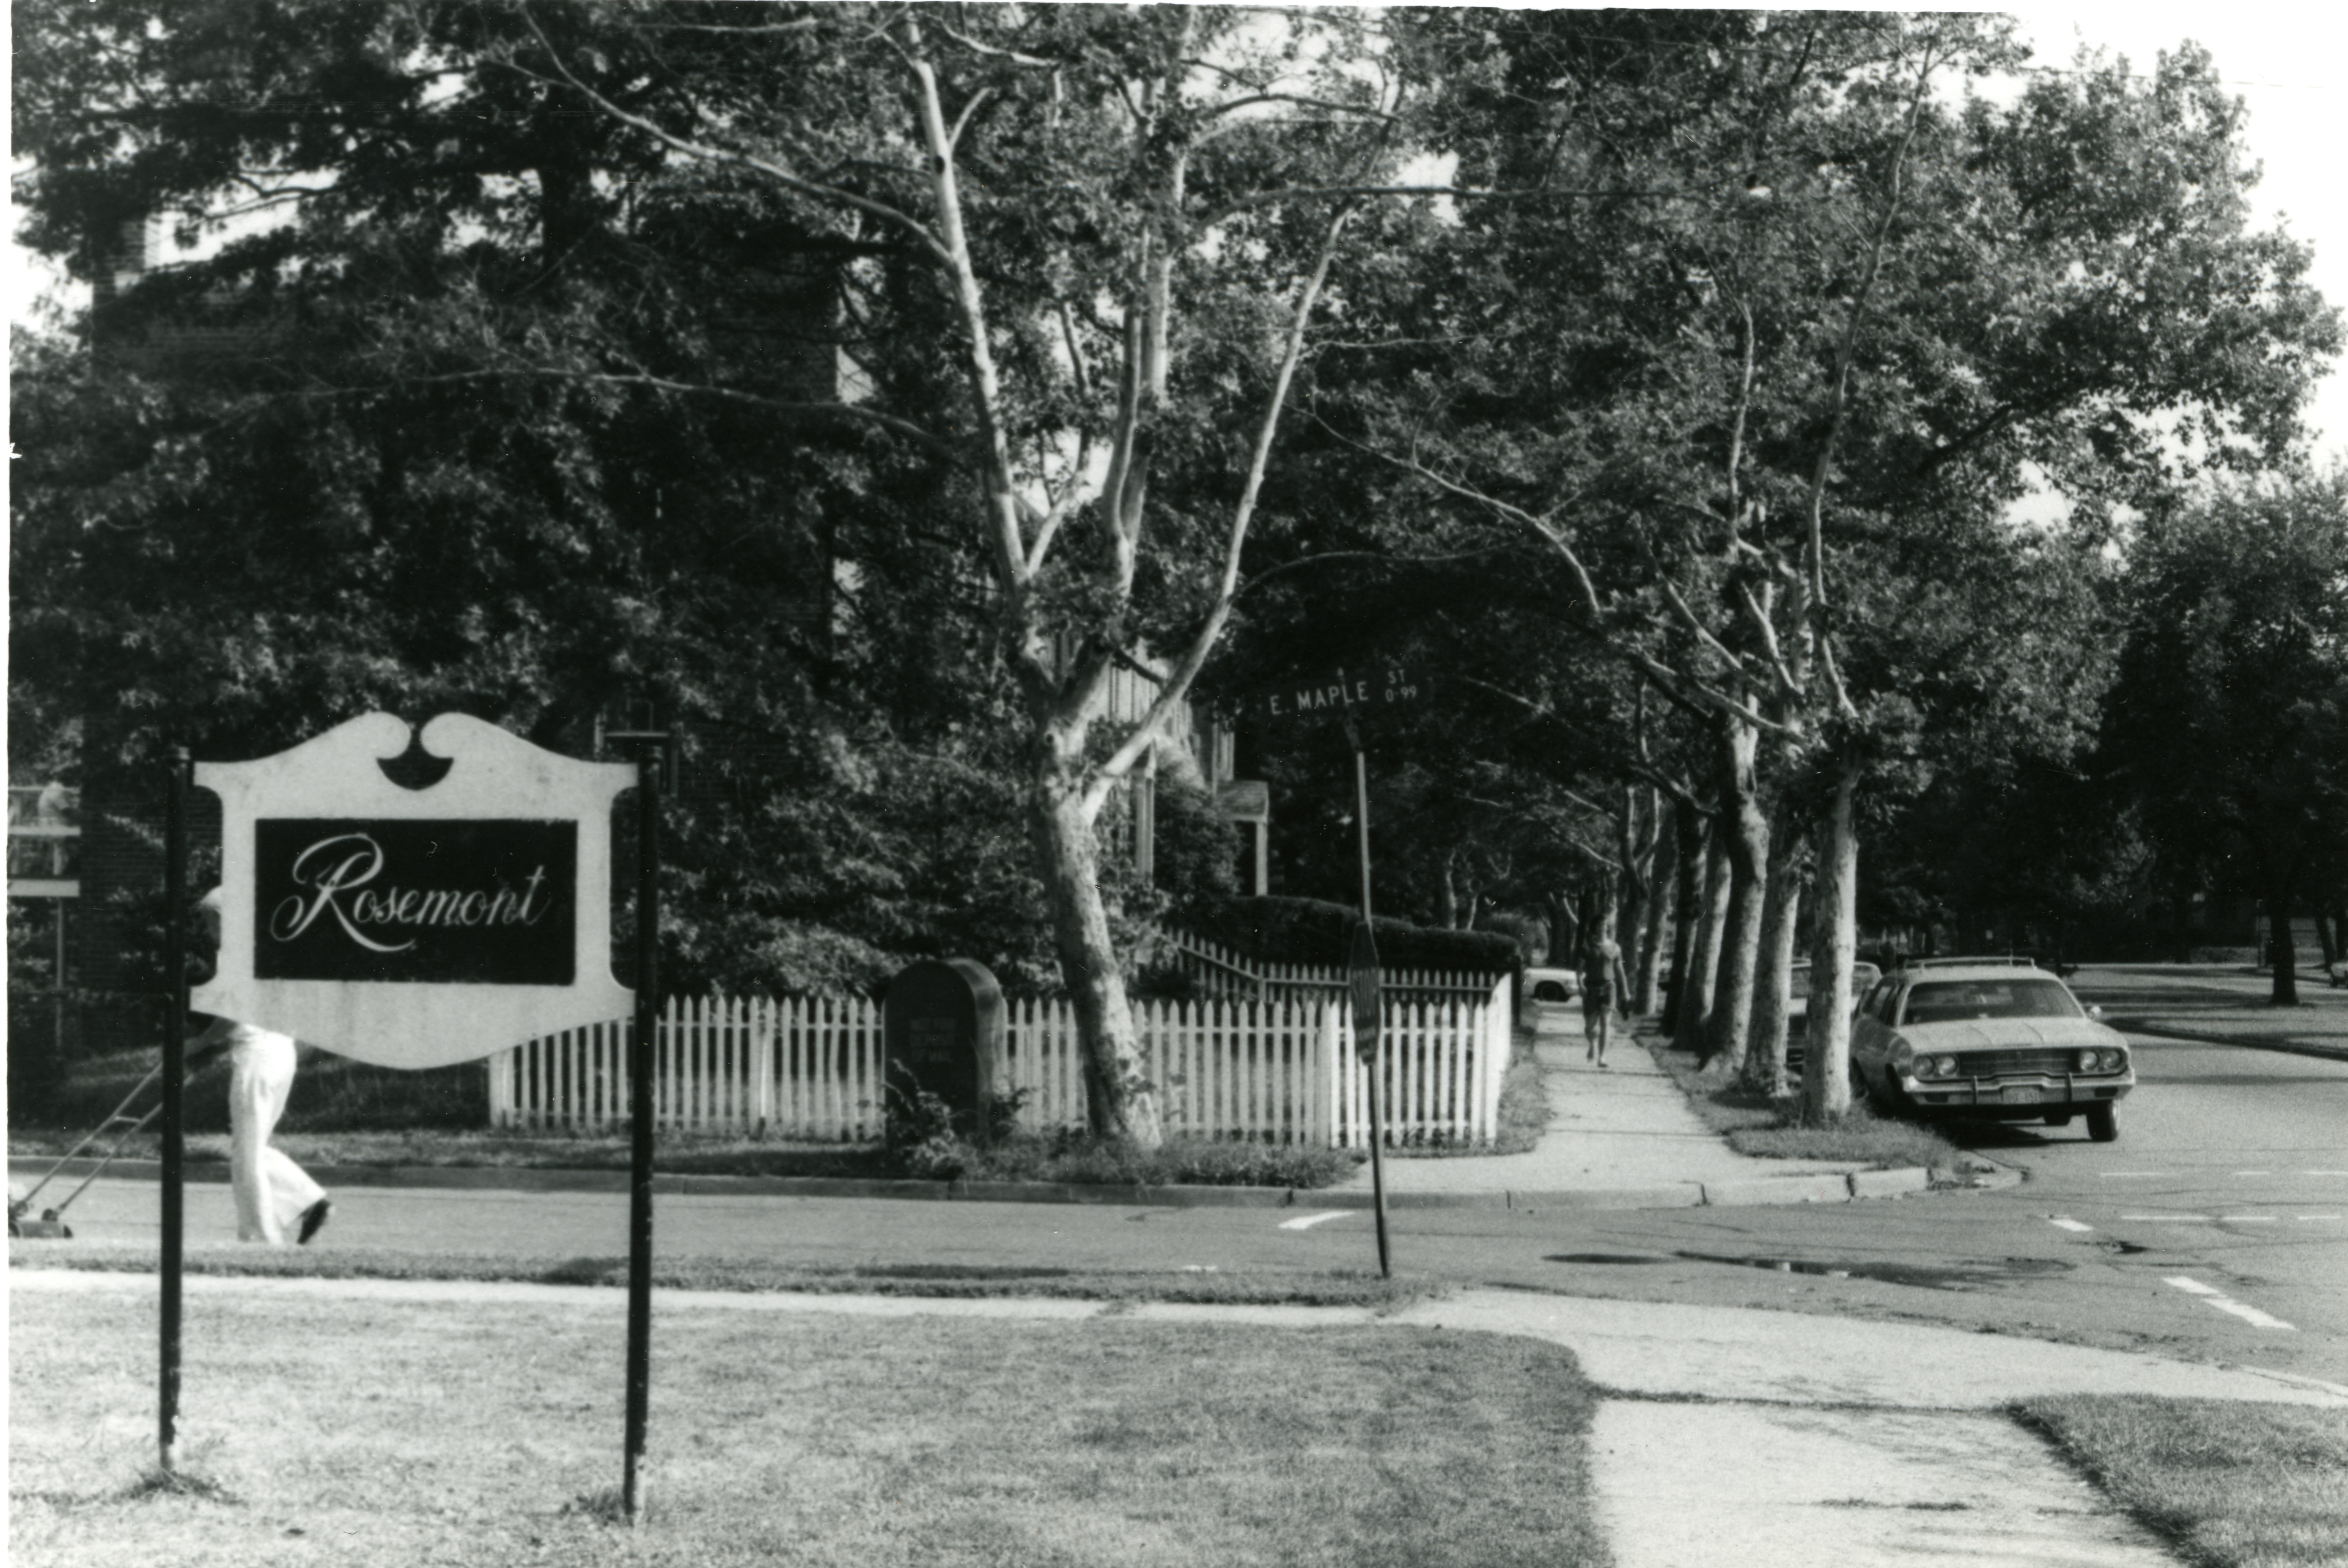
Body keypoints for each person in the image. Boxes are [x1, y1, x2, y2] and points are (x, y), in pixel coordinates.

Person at [189, 890, 331, 1245]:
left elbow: (233, 1018)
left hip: (257, 1054)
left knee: (246, 1155)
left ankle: (261, 1238)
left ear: (227, 918)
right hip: (282, 1049)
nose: (207, 930)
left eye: (210, 920)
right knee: (252, 1145)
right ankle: (309, 1201)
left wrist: (197, 1044)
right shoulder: (265, 951)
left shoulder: (236, 956)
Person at [1582, 936, 1622, 1067]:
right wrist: (1580, 983)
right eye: (1599, 926)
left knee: (1605, 1023)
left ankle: (1602, 1057)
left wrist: (1625, 991)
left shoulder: (1615, 948)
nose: (1602, 929)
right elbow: (1580, 968)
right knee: (1590, 1027)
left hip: (1609, 987)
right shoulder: (1587, 946)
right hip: (1592, 988)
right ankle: (1592, 1044)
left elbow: (1619, 970)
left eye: (1604, 926)